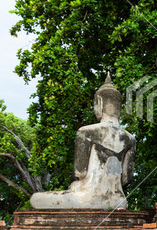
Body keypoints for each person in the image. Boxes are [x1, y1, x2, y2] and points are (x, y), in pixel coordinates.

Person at [30, 73, 136, 209]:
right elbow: (126, 178)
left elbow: (81, 173)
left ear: (100, 103)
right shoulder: (130, 139)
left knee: (36, 199)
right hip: (118, 200)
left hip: (87, 196)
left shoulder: (86, 132)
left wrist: (75, 185)